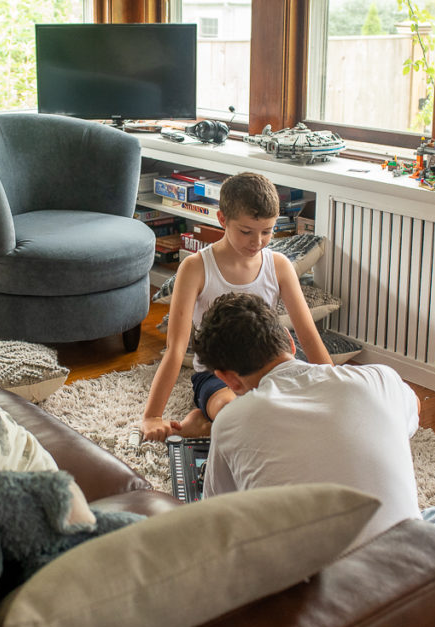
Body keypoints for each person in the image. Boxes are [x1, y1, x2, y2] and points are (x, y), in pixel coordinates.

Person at [193, 291, 435, 552]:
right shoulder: (379, 379)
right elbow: (414, 405)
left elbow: (218, 521)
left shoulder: (230, 422)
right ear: (289, 340)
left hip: (324, 596)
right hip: (414, 570)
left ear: (228, 378)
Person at [141, 172, 333, 442]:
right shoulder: (195, 268)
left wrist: (335, 389)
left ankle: (207, 425)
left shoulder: (279, 266)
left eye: (267, 232)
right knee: (236, 413)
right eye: (246, 232)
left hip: (270, 369)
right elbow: (175, 348)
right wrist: (152, 416)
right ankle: (204, 422)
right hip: (219, 376)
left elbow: (308, 335)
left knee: (305, 412)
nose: (257, 242)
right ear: (222, 220)